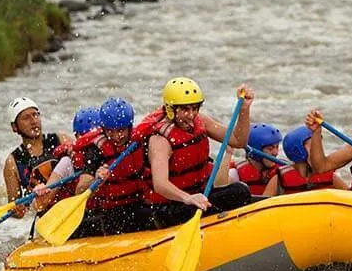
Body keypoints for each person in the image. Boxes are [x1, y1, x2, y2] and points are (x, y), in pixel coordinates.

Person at [142, 77, 254, 229]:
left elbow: (237, 140)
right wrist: (188, 198)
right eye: (185, 109)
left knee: (240, 191)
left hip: (199, 196)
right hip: (171, 207)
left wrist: (244, 110)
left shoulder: (200, 121)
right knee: (231, 196)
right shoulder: (160, 140)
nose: (191, 114)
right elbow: (160, 185)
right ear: (171, 109)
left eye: (195, 108)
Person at [69, 97, 151, 238]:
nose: (116, 137)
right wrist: (96, 179)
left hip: (139, 203)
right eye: (110, 131)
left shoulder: (141, 143)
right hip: (111, 213)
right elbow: (80, 190)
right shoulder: (96, 151)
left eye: (121, 131)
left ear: (130, 127)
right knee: (118, 220)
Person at [3, 97, 71, 218]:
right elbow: (14, 209)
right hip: (47, 216)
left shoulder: (61, 139)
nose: (33, 121)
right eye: (26, 118)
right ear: (15, 127)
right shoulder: (12, 162)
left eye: (35, 115)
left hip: (70, 204)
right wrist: (17, 210)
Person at [33, 106, 101, 212]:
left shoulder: (111, 157)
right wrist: (41, 194)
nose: (90, 144)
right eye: (84, 137)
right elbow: (40, 206)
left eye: (94, 137)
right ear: (77, 137)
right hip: (76, 216)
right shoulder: (67, 163)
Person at [262, 126, 348, 196]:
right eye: (313, 147)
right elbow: (261, 207)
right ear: (298, 151)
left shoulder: (331, 177)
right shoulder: (278, 180)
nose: (318, 151)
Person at [230, 123, 283, 195]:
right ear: (255, 151)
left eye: (277, 147)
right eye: (270, 149)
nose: (276, 153)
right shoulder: (235, 173)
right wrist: (228, 153)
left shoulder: (283, 171)